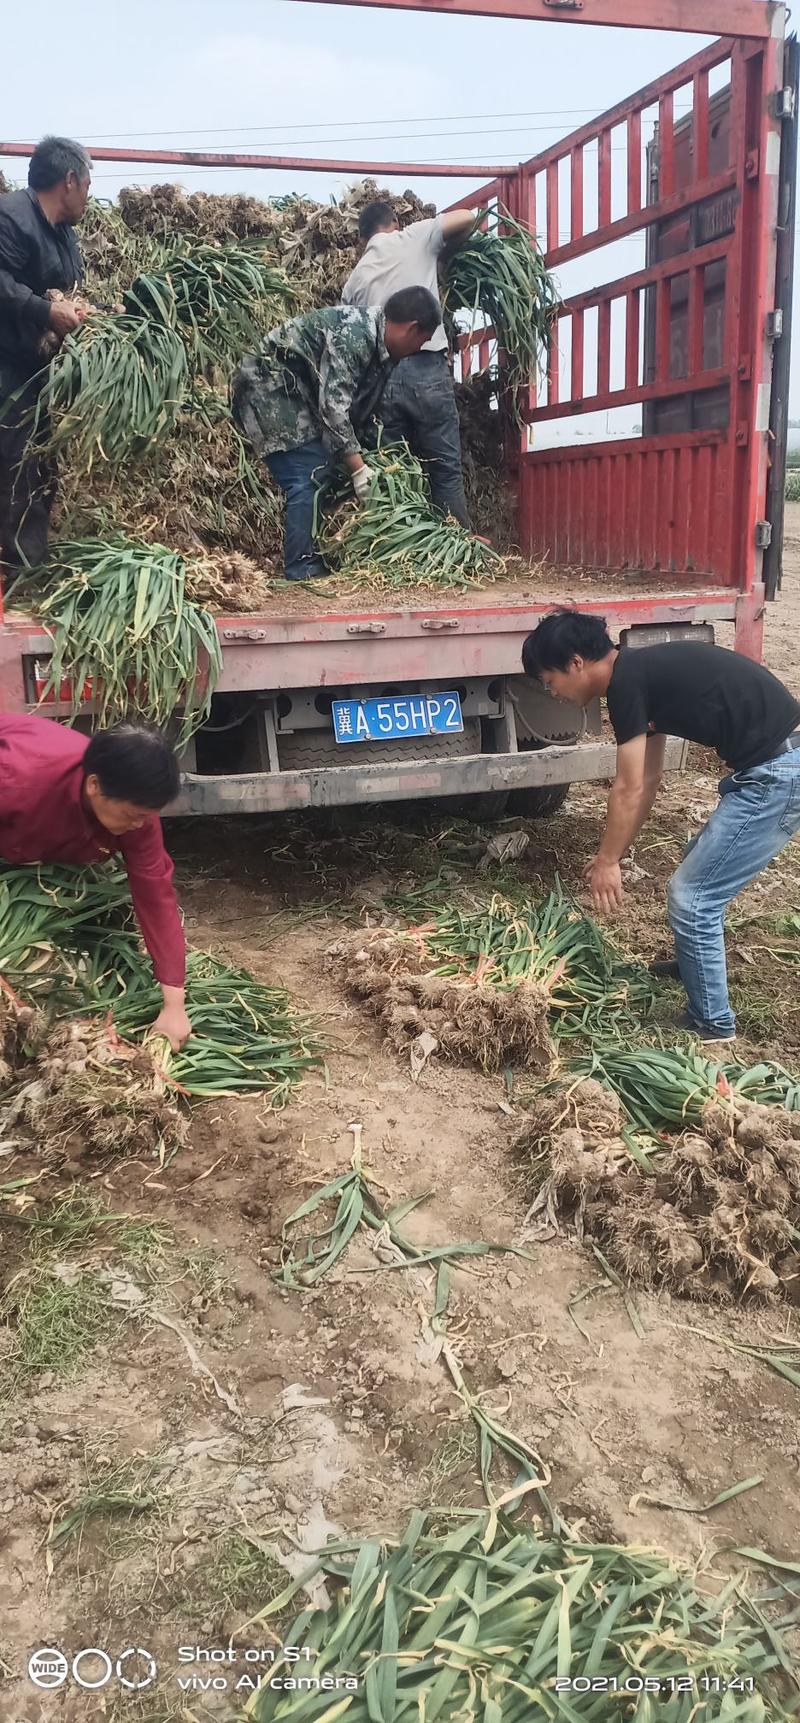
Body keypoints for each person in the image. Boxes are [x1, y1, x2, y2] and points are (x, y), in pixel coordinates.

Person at [521, 610, 800, 1045]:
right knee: (695, 871)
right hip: (775, 765)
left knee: (694, 896)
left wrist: (608, 860)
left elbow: (627, 786)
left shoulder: (625, 683)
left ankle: (713, 1024)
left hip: (778, 774)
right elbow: (648, 780)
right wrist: (617, 851)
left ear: (575, 663)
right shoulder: (636, 672)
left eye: (549, 680)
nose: (552, 692)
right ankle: (695, 964)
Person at [0, 715, 192, 1051]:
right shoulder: (17, 782)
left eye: (147, 816)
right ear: (94, 785)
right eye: (133, 815)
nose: (139, 825)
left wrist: (174, 1004)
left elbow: (155, 893)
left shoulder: (137, 814)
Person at [232, 288, 440, 582]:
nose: (420, 349)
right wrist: (358, 471)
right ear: (412, 329)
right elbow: (333, 409)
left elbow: (360, 411)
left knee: (326, 467)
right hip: (270, 385)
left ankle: (315, 553)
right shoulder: (354, 335)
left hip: (301, 392)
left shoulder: (383, 347)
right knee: (309, 473)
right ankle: (300, 568)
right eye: (423, 340)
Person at [342, 199, 476, 527]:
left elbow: (350, 340)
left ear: (363, 240)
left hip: (383, 381)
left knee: (392, 468)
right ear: (394, 224)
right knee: (444, 467)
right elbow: (468, 217)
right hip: (428, 371)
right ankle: (456, 546)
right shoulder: (414, 237)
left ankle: (403, 549)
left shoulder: (355, 280)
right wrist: (443, 252)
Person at [0, 136, 92, 577]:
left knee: (39, 470)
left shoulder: (64, 235)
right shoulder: (11, 218)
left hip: (40, 377)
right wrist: (45, 310)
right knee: (15, 469)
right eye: (88, 185)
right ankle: (15, 572)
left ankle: (28, 570)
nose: (88, 197)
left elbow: (67, 292)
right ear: (70, 180)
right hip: (6, 373)